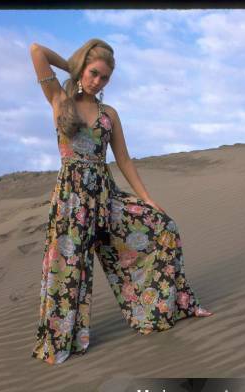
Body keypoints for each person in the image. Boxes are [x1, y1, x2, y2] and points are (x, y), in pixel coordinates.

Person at [30, 38, 213, 365]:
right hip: (72, 201)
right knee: (68, 268)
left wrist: (147, 199)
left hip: (105, 196)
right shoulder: (59, 98)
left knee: (163, 228)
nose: (97, 81)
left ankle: (171, 306)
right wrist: (71, 66)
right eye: (93, 72)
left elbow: (124, 160)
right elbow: (36, 51)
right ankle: (63, 339)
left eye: (104, 78)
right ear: (83, 67)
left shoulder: (108, 114)